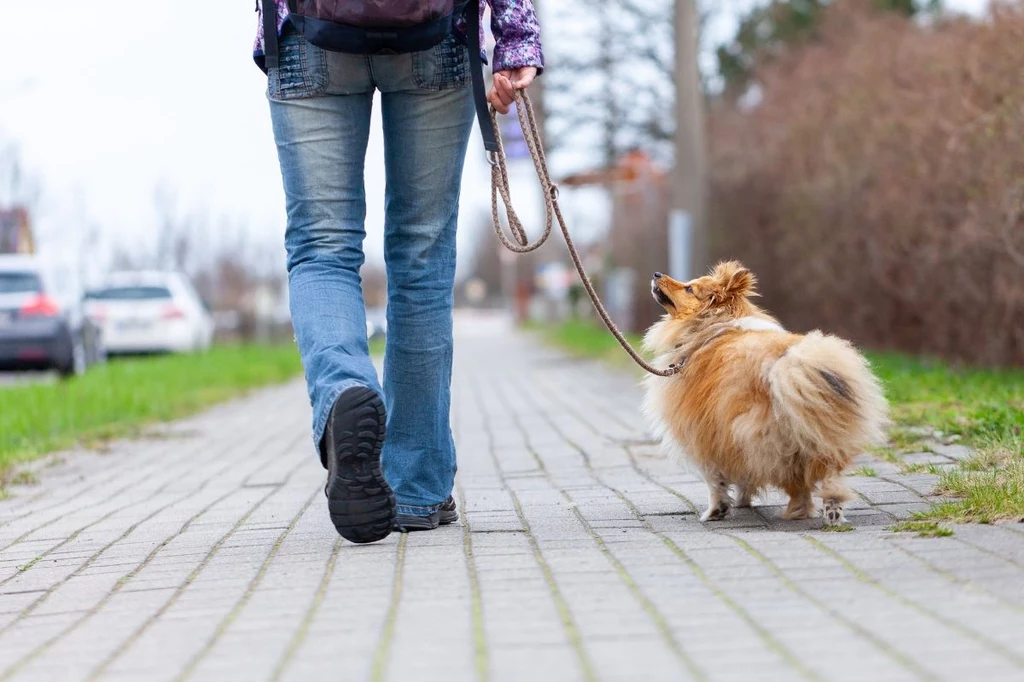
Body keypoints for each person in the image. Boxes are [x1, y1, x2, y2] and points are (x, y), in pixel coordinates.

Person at [253, 1, 543, 543]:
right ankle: (415, 486)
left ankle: (344, 391)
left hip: (307, 35)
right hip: (436, 34)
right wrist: (515, 40)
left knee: (322, 247)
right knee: (422, 259)